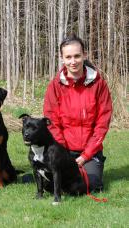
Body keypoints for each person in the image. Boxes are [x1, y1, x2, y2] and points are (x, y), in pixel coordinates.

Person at [43, 34, 112, 192]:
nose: (73, 61)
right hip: (63, 149)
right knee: (52, 185)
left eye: (77, 56)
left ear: (84, 55)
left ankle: (91, 168)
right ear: (62, 58)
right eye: (68, 57)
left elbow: (102, 124)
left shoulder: (99, 84)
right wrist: (64, 153)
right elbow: (52, 122)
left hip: (90, 151)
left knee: (90, 186)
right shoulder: (54, 86)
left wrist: (86, 155)